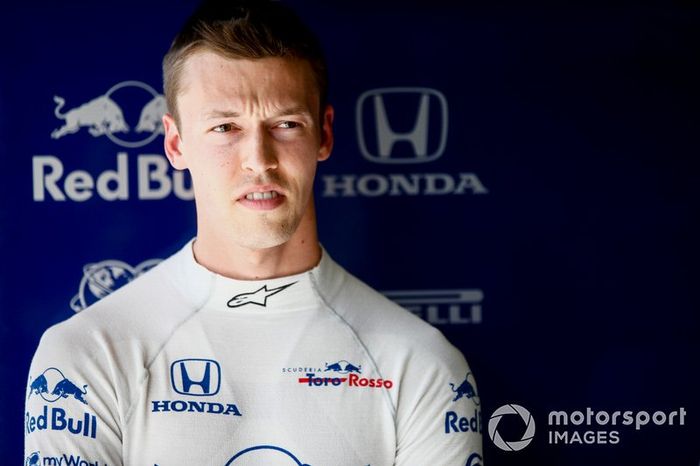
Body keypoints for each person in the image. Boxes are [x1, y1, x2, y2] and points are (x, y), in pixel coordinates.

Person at [25, 1, 483, 464]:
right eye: (225, 127)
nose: (259, 160)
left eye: (286, 124)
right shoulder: (88, 355)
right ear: (176, 143)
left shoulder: (420, 365)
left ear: (324, 135)